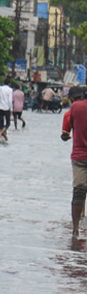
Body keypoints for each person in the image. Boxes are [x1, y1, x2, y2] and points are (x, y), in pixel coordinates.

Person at [60, 86, 87, 245]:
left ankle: (75, 230)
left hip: (79, 156)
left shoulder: (74, 108)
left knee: (78, 191)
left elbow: (65, 134)